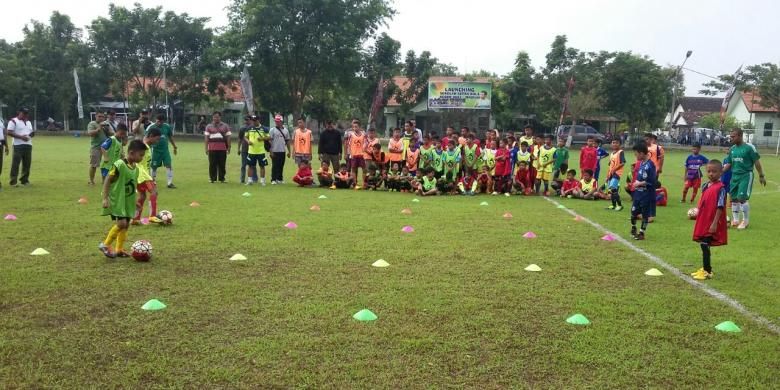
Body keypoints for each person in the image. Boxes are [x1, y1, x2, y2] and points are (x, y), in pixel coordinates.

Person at [99, 139, 147, 258]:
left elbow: (132, 186)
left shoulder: (135, 168)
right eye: (140, 155)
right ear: (131, 153)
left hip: (128, 201)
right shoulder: (119, 165)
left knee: (126, 225)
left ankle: (119, 249)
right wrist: (105, 198)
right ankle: (105, 245)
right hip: (118, 200)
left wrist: (135, 201)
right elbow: (107, 180)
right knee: (121, 223)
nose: (142, 158)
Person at [690, 160, 728, 280]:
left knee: (705, 244)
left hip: (712, 221)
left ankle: (708, 271)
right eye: (709, 171)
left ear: (721, 172)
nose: (711, 174)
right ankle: (705, 268)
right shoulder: (705, 185)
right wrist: (697, 210)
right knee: (703, 243)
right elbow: (704, 201)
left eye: (714, 171)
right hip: (704, 220)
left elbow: (720, 206)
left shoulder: (721, 188)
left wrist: (715, 223)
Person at [724, 128, 766, 229]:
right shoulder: (732, 149)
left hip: (746, 175)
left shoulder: (749, 147)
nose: (731, 138)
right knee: (734, 199)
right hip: (734, 176)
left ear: (740, 136)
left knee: (742, 198)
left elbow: (757, 162)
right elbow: (729, 163)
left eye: (733, 136)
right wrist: (720, 171)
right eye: (731, 136)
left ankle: (745, 221)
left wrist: (761, 175)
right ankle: (735, 220)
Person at [132, 128, 163, 225]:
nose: (157, 142)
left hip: (141, 174)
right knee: (154, 192)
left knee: (142, 195)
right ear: (151, 136)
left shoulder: (148, 147)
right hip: (142, 174)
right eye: (157, 139)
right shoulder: (144, 146)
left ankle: (136, 218)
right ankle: (152, 216)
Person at [630, 142, 657, 241]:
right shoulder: (641, 163)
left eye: (636, 154)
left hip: (646, 194)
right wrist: (636, 182)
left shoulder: (651, 165)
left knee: (645, 215)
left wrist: (639, 183)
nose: (635, 156)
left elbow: (652, 181)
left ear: (641, 153)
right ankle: (633, 228)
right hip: (638, 194)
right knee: (633, 212)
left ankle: (641, 233)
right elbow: (640, 177)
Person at [147, 114, 178, 188]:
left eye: (161, 122)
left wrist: (174, 146)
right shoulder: (151, 127)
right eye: (157, 121)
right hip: (155, 150)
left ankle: (169, 183)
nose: (159, 123)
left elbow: (170, 137)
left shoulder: (167, 127)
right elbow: (146, 138)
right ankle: (153, 181)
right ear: (156, 120)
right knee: (154, 166)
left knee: (169, 165)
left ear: (163, 121)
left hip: (165, 150)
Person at [7, 107, 34, 187]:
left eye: (26, 114)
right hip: (17, 145)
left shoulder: (29, 122)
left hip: (28, 145)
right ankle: (13, 181)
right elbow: (9, 132)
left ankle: (24, 180)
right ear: (19, 112)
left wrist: (31, 135)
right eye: (23, 113)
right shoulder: (13, 121)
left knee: (27, 164)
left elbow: (30, 132)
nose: (25, 115)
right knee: (15, 164)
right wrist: (21, 137)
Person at [87, 112, 113, 186]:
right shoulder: (92, 124)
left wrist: (107, 129)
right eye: (99, 116)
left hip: (106, 147)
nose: (101, 118)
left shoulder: (106, 124)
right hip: (96, 147)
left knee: (107, 165)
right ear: (95, 116)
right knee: (94, 165)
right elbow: (90, 133)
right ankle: (91, 181)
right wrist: (99, 128)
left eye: (102, 116)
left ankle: (104, 180)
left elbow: (112, 133)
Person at [245, 115, 270, 186]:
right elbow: (245, 137)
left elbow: (269, 137)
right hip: (251, 151)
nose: (254, 122)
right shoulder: (249, 128)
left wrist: (262, 139)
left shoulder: (264, 128)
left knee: (262, 166)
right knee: (250, 166)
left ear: (259, 120)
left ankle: (262, 181)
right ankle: (250, 180)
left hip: (261, 151)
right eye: (253, 120)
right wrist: (248, 141)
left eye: (255, 120)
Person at [269, 115, 291, 184]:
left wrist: (289, 151)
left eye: (278, 121)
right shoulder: (272, 130)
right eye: (276, 121)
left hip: (282, 151)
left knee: (281, 165)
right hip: (275, 150)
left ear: (281, 121)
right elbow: (269, 141)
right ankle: (273, 179)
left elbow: (287, 141)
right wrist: (271, 151)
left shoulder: (286, 130)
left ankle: (280, 179)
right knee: (275, 165)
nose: (277, 123)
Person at [605, 139, 625, 211]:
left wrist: (614, 169)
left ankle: (619, 205)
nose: (614, 144)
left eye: (616, 143)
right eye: (613, 142)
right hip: (611, 174)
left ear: (620, 144)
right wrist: (608, 175)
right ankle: (613, 205)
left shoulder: (620, 152)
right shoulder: (612, 154)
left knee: (613, 188)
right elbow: (610, 166)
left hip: (617, 173)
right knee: (612, 190)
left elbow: (622, 163)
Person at [346, 120, 367, 189]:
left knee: (364, 169)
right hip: (354, 155)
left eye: (356, 127)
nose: (355, 128)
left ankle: (364, 183)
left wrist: (364, 149)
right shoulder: (351, 135)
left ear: (359, 127)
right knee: (353, 169)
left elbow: (366, 143)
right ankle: (355, 184)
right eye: (354, 127)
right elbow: (348, 145)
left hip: (361, 155)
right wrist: (349, 154)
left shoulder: (363, 134)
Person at [237, 115, 252, 184]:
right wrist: (238, 148)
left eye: (248, 120)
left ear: (251, 120)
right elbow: (240, 139)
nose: (246, 121)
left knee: (252, 165)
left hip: (252, 149)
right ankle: (242, 179)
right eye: (245, 120)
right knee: (243, 165)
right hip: (244, 149)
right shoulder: (242, 128)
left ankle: (253, 179)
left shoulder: (253, 128)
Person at [0, 118, 6, 190]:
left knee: (0, 165)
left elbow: (4, 133)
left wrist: (6, 146)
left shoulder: (1, 120)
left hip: (1, 144)